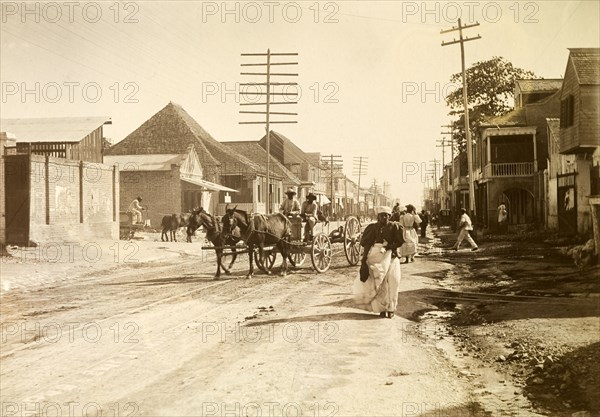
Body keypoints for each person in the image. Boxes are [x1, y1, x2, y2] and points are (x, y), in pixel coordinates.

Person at [353, 206, 403, 319]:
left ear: (390, 216)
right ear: (378, 216)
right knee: (380, 284)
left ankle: (391, 308)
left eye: (386, 215)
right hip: (376, 257)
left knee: (393, 281)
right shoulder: (373, 228)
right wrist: (364, 259)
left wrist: (389, 247)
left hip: (391, 257)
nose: (384, 217)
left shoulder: (395, 227)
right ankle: (382, 308)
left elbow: (399, 242)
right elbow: (367, 244)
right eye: (382, 215)